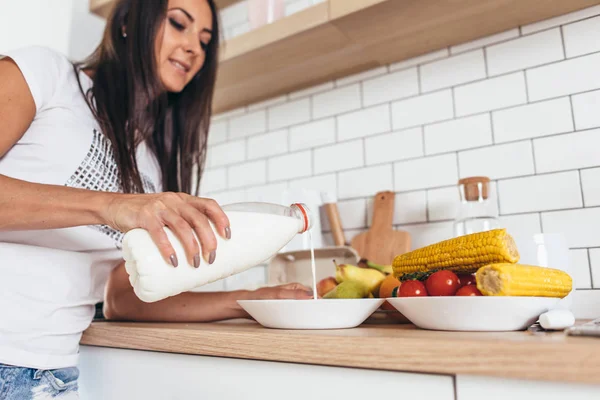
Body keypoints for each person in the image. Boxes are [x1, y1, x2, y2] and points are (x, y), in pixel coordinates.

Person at [0, 0, 312, 397]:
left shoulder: (150, 163)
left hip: (49, 375)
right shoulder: (45, 75)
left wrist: (250, 300)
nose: (194, 48)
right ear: (129, 22)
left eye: (205, 40)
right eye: (179, 24)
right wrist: (111, 205)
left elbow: (123, 298)